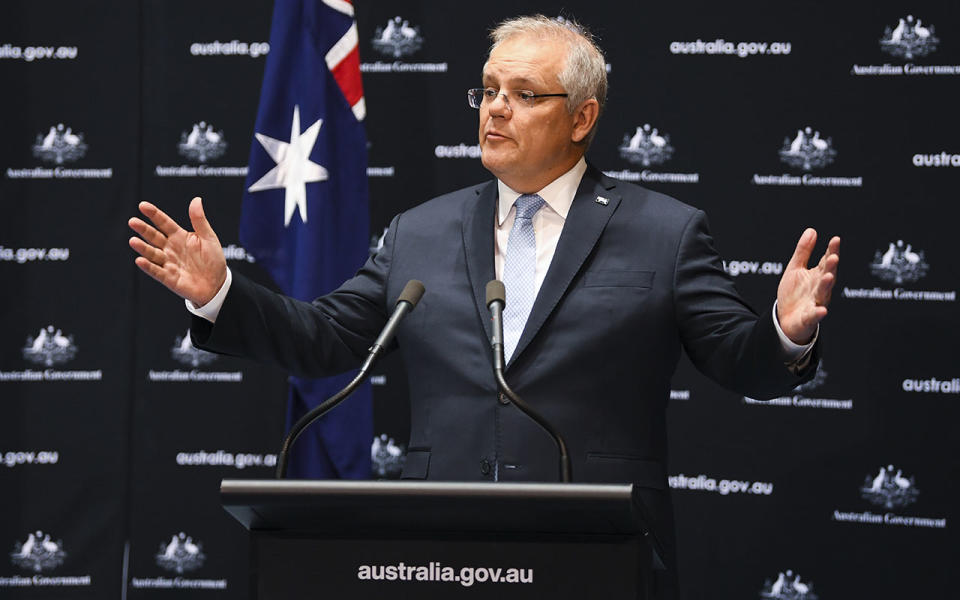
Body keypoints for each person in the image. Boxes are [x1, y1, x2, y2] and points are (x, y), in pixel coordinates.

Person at [128, 15, 839, 599]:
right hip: (439, 553)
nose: (497, 108)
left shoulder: (665, 231)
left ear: (582, 117)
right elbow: (327, 337)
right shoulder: (422, 231)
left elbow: (739, 360)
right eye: (489, 90)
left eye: (525, 94)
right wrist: (221, 294)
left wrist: (784, 334)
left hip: (598, 553)